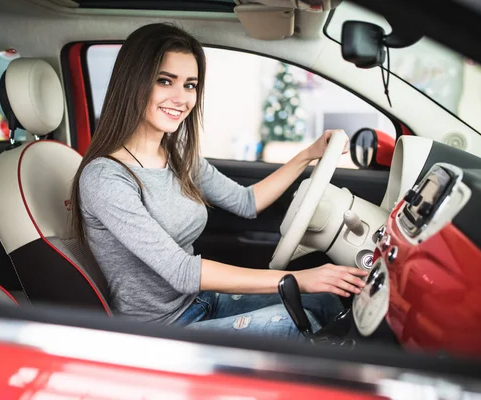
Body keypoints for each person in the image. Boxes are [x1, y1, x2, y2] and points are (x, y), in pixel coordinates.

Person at [69, 22, 368, 340]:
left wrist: (309, 154)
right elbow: (181, 272)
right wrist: (297, 278)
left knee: (324, 301)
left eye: (190, 85)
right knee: (293, 327)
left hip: (201, 301)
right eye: (164, 81)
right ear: (133, 83)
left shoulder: (179, 156)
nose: (181, 98)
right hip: (161, 330)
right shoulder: (106, 178)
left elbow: (247, 202)